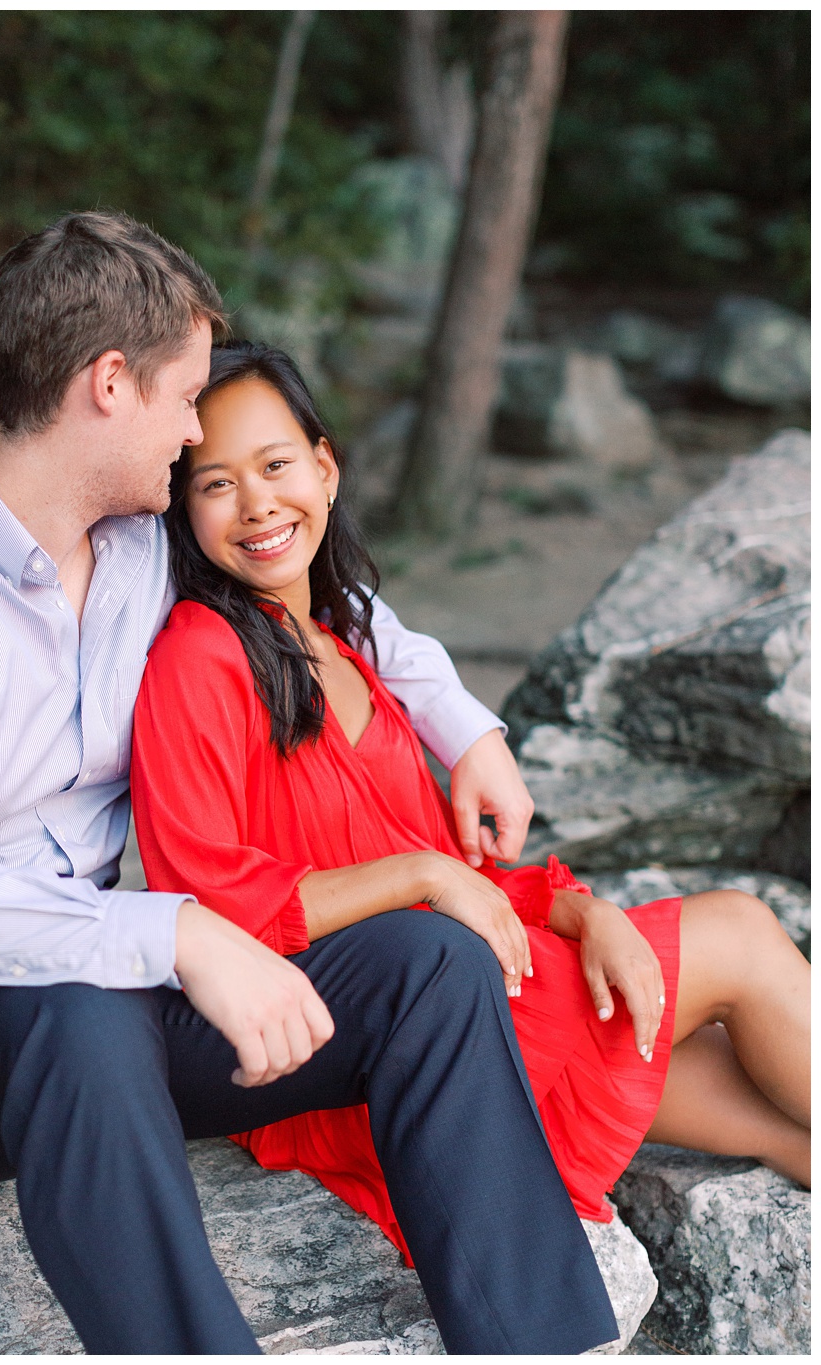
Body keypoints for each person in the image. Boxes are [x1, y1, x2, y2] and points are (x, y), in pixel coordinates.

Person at [0, 211, 624, 1353]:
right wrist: (177, 932)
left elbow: (330, 606)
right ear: (106, 386)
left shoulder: (141, 540)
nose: (194, 430)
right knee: (78, 1018)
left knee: (426, 963)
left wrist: (463, 727)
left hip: (107, 988)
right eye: (183, 396)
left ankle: (536, 1344)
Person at [130, 339, 810, 1260]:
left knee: (781, 1128)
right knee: (738, 930)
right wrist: (419, 874)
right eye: (214, 483)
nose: (256, 503)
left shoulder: (341, 639)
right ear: (182, 508)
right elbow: (208, 907)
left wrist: (581, 909)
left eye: (276, 463)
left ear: (325, 468)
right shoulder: (198, 657)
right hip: (382, 1029)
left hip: (472, 981)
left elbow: (464, 876)